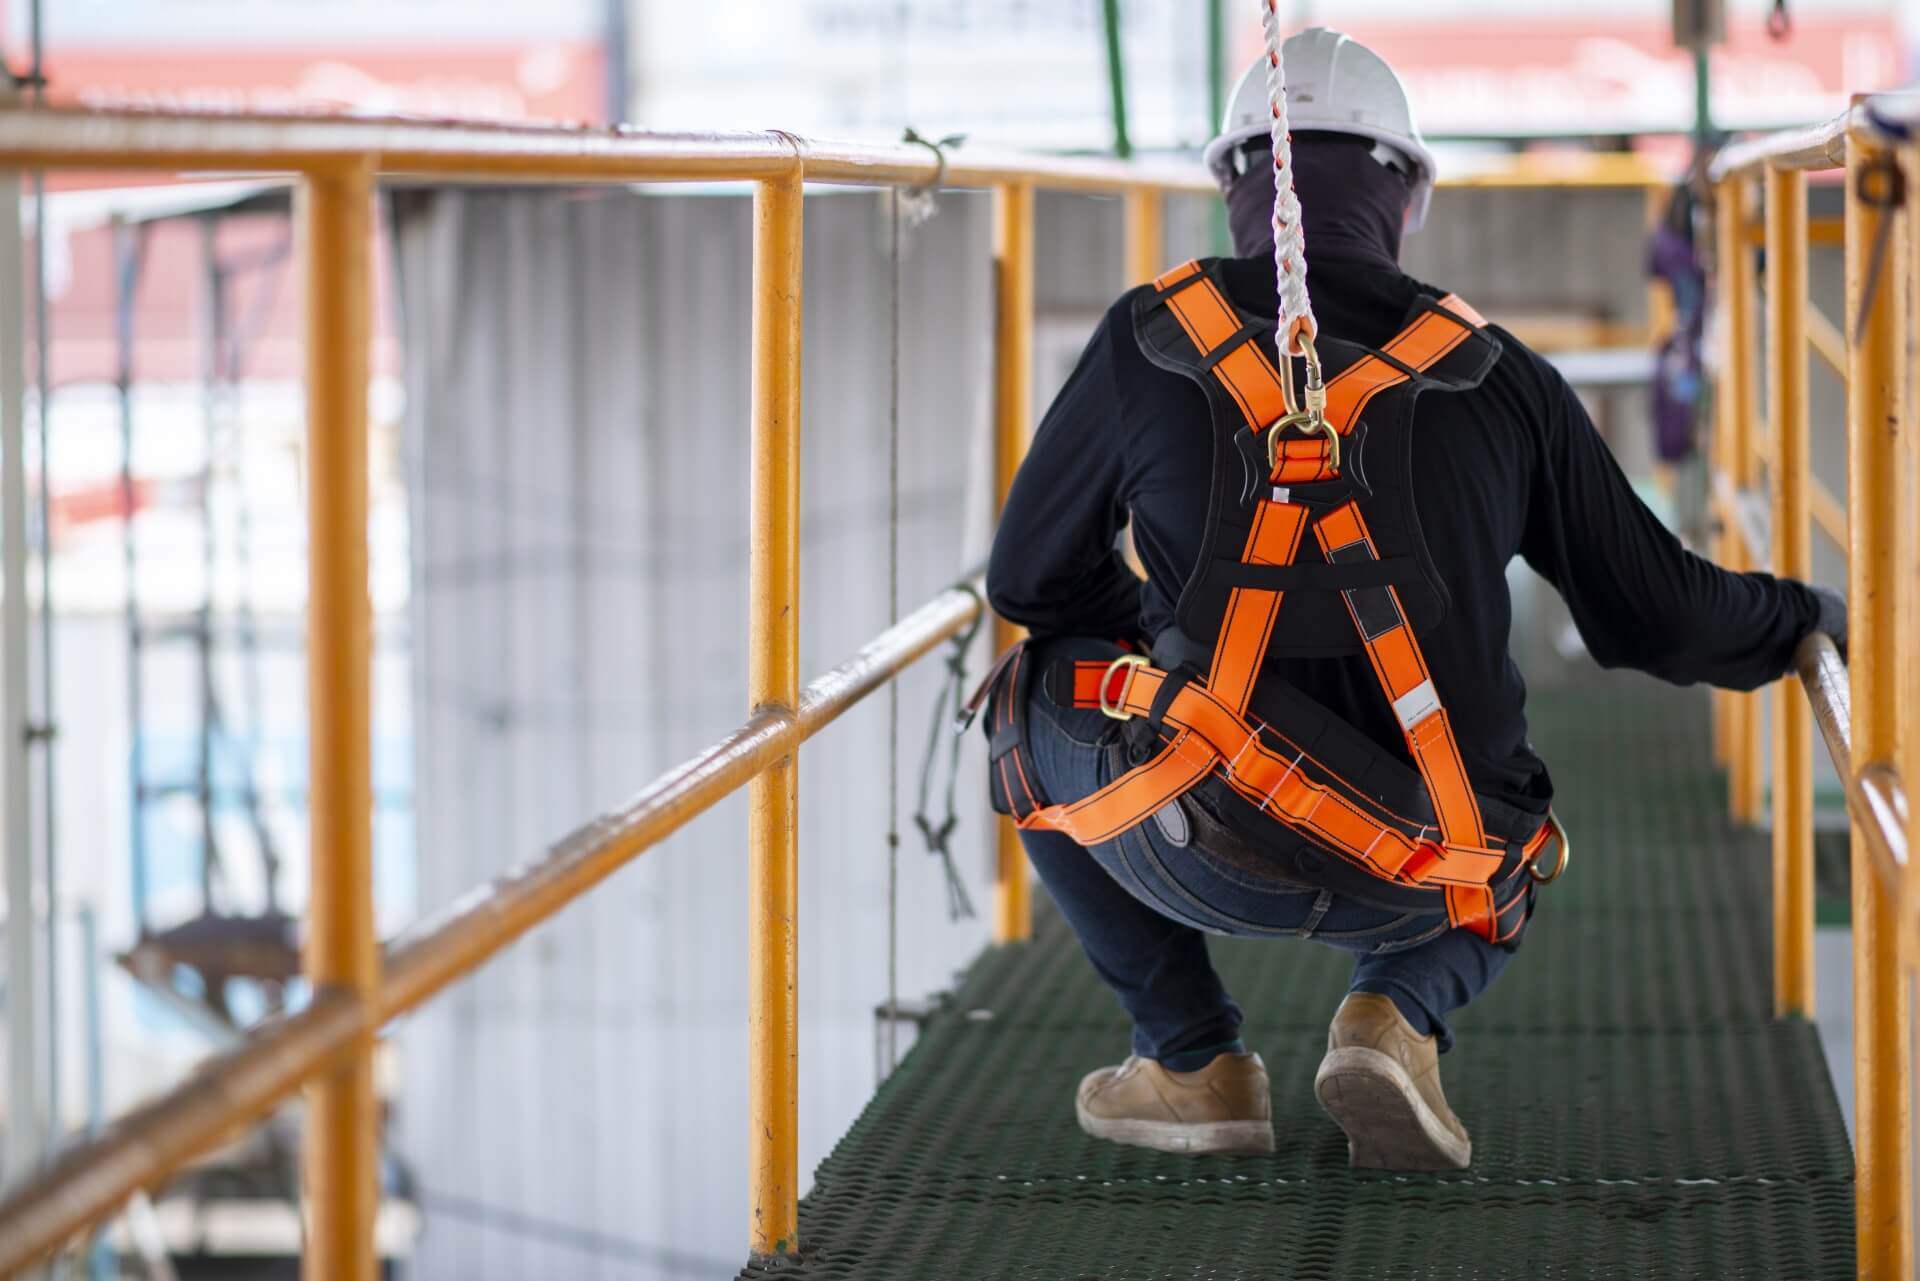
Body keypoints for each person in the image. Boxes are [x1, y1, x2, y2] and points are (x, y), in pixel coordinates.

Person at [980, 27, 1845, 1171]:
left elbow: (1030, 583)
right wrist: (1806, 616)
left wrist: (1159, 652)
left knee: (1028, 695)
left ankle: (1192, 1063)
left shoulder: (1148, 336)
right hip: (1441, 870)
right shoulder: (1501, 372)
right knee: (1519, 827)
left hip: (1199, 833)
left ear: (1235, 184)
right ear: (1410, 196)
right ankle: (1397, 1014)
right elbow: (1657, 617)